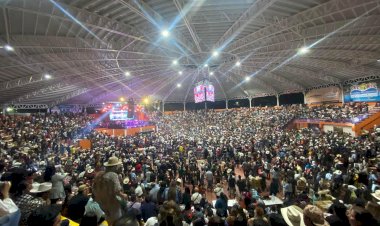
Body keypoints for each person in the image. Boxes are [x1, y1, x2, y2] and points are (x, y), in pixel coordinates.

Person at [93, 156, 128, 226]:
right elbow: (117, 191)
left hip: (103, 204)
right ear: (115, 166)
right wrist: (124, 196)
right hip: (113, 204)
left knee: (109, 221)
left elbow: (94, 189)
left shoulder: (99, 175)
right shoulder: (113, 175)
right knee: (117, 221)